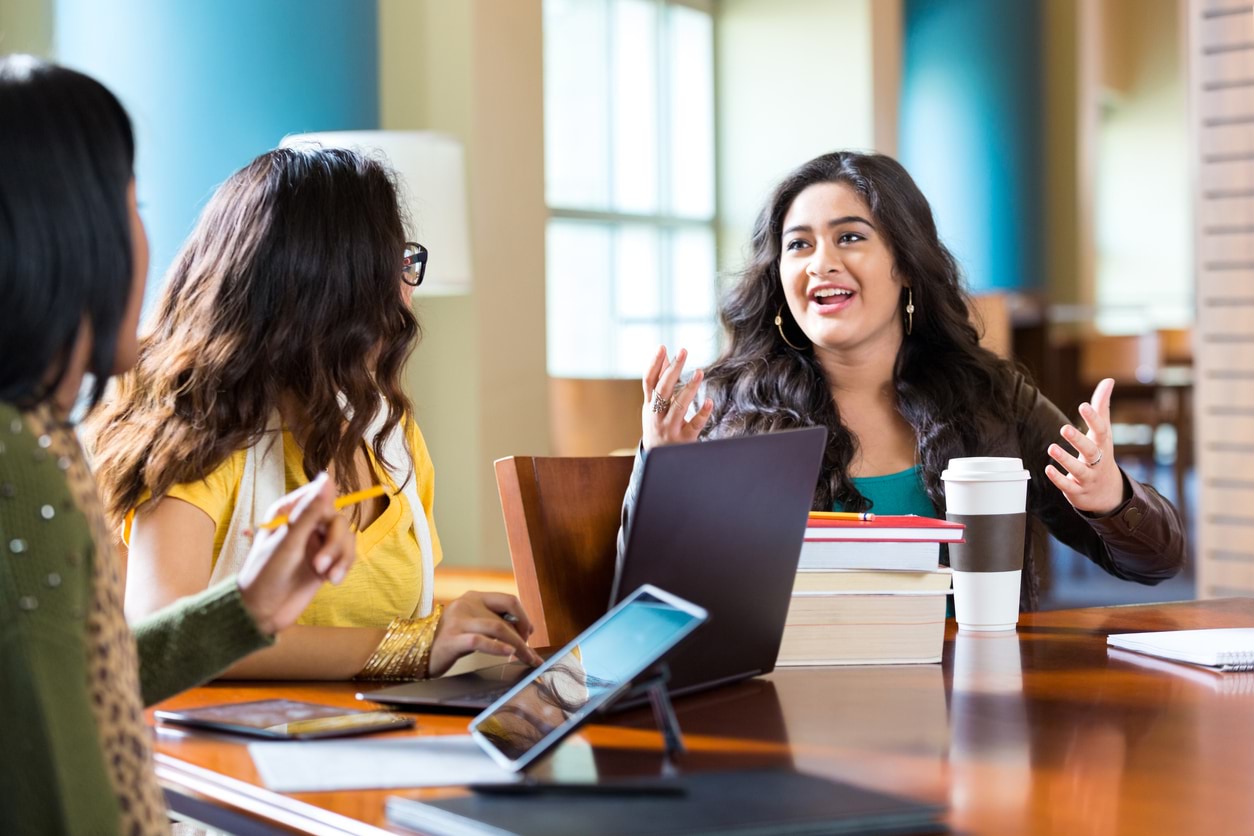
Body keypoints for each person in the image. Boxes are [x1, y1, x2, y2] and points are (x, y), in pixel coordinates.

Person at [0, 56, 358, 834]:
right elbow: (56, 772)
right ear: (69, 240)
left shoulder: (38, 437)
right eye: (133, 205)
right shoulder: (19, 465)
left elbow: (86, 679)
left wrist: (249, 605)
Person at [626, 151, 1184, 610]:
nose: (820, 262)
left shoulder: (992, 396)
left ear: (907, 266)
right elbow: (653, 605)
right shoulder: (722, 409)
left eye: (849, 237)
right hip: (792, 709)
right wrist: (664, 482)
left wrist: (1111, 496)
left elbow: (1157, 562)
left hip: (970, 705)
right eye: (798, 244)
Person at [86, 145, 543, 680]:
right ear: (330, 289)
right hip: (230, 760)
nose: (406, 297)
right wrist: (410, 647)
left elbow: (405, 632)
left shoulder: (390, 433)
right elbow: (155, 631)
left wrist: (453, 630)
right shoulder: (201, 427)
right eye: (394, 266)